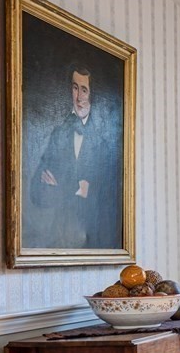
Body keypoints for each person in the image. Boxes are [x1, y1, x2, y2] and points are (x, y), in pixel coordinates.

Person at [29, 65, 121, 248]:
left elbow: (109, 200)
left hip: (96, 241)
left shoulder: (106, 141)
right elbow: (37, 193)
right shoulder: (58, 134)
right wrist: (78, 189)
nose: (79, 97)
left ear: (93, 94)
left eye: (84, 90)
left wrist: (61, 186)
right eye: (75, 88)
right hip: (61, 238)